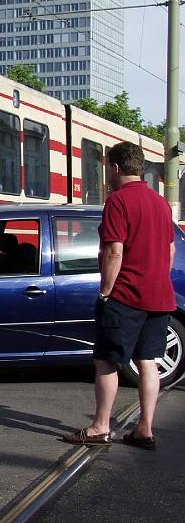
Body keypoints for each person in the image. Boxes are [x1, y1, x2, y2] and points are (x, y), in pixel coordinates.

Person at [62, 141, 175, 450]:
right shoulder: (161, 203)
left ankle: (100, 427)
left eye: (107, 169)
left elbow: (114, 251)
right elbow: (170, 250)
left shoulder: (118, 201)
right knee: (147, 361)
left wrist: (105, 292)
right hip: (159, 296)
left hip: (126, 295)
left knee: (106, 362)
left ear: (115, 168)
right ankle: (145, 429)